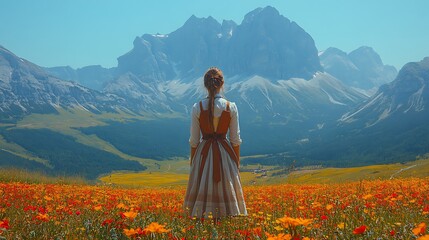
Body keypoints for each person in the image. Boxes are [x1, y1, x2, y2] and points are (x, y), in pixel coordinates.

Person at [183, 67, 247, 219]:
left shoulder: (197, 107)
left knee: (201, 188)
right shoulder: (230, 107)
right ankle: (228, 219)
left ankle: (202, 219)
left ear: (205, 85)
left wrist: (194, 163)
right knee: (227, 188)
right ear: (222, 84)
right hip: (224, 153)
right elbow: (235, 140)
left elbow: (194, 141)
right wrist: (235, 163)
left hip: (203, 153)